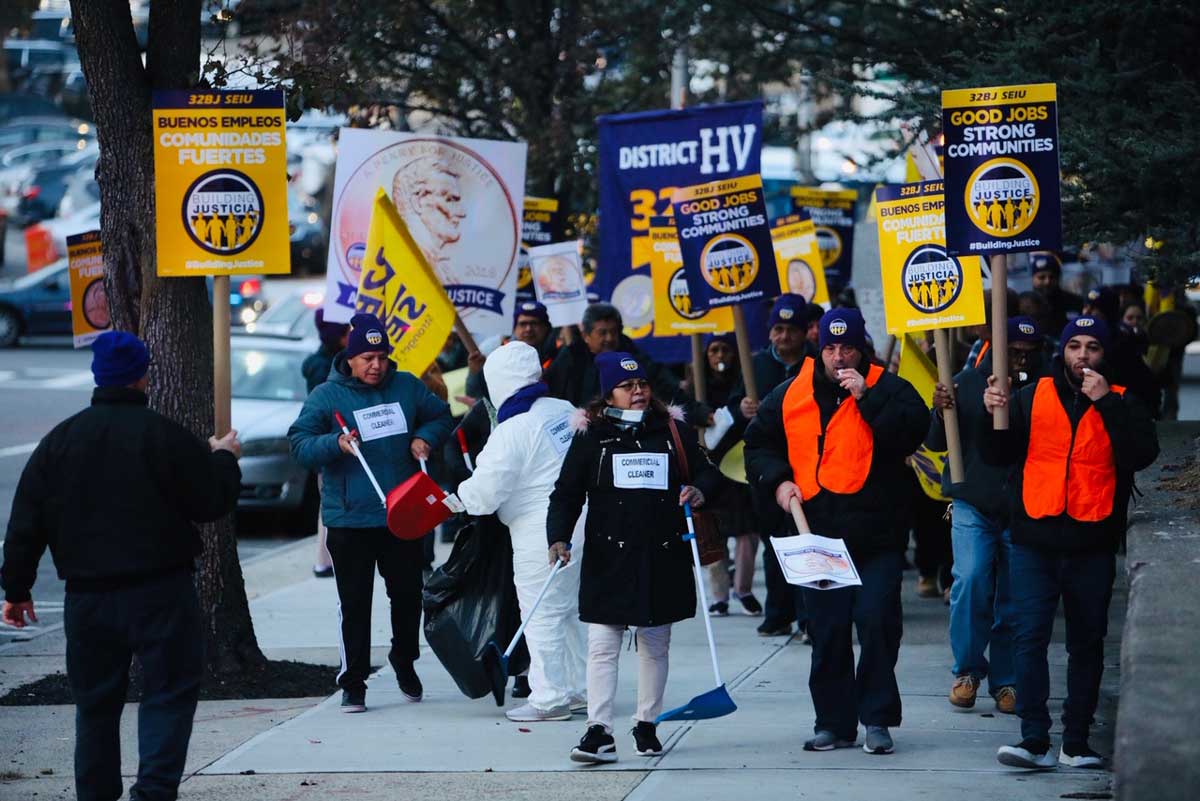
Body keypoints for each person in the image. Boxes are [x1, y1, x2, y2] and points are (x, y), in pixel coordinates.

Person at [1, 331, 242, 801]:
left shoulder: (60, 442)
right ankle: (153, 791)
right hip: (162, 590)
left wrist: (16, 589)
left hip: (88, 598)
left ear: (98, 376)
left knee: (94, 705)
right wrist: (224, 460)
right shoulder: (166, 437)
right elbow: (211, 502)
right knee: (168, 694)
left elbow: (26, 520)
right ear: (142, 375)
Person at [744, 308, 927, 755]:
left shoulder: (891, 388)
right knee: (827, 631)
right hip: (819, 538)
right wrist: (778, 480)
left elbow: (911, 434)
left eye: (847, 347)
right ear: (818, 347)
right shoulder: (791, 392)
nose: (839, 356)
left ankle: (878, 719)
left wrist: (868, 399)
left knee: (877, 622)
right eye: (830, 347)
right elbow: (758, 443)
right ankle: (834, 723)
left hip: (878, 537)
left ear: (862, 348)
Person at [981, 316, 1158, 770]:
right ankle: (1033, 739)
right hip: (1035, 539)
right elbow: (996, 457)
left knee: (1086, 643)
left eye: (1092, 346)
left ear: (1105, 355)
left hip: (1091, 541)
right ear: (1063, 351)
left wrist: (1106, 406)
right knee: (1029, 637)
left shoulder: (1121, 400)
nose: (1083, 355)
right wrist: (993, 416)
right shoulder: (1029, 397)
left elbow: (1141, 454)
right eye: (1075, 345)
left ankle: (1075, 740)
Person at [548, 352, 722, 763]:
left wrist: (699, 490)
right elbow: (566, 493)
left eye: (641, 383)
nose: (638, 391)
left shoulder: (673, 431)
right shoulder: (592, 436)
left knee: (655, 644)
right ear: (609, 394)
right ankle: (598, 730)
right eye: (627, 387)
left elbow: (709, 472)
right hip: (610, 557)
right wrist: (557, 537)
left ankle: (647, 725)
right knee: (603, 645)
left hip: (662, 554)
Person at [288, 313, 454, 713]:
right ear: (350, 357)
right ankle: (354, 680)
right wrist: (335, 443)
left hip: (403, 513)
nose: (375, 365)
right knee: (355, 602)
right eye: (366, 358)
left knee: (408, 596)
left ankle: (404, 660)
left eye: (381, 356)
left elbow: (441, 416)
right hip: (350, 518)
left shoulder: (407, 386)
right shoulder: (327, 396)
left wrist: (423, 438)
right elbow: (299, 443)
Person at [455, 341, 589, 722]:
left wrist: (457, 498)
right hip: (581, 522)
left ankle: (548, 698)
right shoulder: (563, 410)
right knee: (573, 611)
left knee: (542, 612)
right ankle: (581, 688)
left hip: (539, 534)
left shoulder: (513, 429)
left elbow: (484, 494)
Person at [929, 316, 1047, 716]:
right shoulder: (965, 382)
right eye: (1012, 351)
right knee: (972, 579)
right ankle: (966, 671)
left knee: (1014, 594)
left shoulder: (1046, 388)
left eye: (1028, 353)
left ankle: (1007, 679)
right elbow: (934, 441)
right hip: (973, 501)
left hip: (1024, 504)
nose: (1019, 359)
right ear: (996, 347)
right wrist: (940, 409)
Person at [728, 293, 815, 637]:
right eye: (778, 329)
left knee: (806, 538)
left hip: (806, 465)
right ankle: (778, 613)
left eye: (791, 329)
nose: (784, 337)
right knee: (775, 541)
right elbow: (733, 406)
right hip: (767, 468)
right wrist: (742, 408)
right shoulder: (756, 365)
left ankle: (809, 617)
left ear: (805, 331)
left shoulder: (816, 365)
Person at [686, 332, 761, 617]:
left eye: (726, 350)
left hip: (739, 468)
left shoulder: (745, 384)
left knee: (747, 533)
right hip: (709, 468)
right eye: (714, 350)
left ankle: (743, 588)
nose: (720, 357)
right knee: (712, 535)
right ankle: (719, 595)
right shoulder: (695, 389)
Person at [544, 302, 700, 419]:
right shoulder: (571, 355)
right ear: (586, 335)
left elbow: (664, 385)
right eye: (602, 333)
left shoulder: (631, 353)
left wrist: (701, 412)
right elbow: (550, 390)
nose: (609, 338)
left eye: (613, 332)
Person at [304, 309, 350, 578]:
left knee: (328, 501)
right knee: (329, 501)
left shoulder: (317, 364)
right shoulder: (326, 370)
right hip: (329, 440)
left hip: (326, 439)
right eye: (345, 332)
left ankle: (325, 559)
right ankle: (324, 560)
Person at [1082, 285, 1160, 415]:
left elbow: (1144, 387)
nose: (1086, 313)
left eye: (1094, 309)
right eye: (1086, 307)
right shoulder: (1079, 338)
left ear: (1107, 313)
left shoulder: (1123, 345)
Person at [465, 300, 558, 400]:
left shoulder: (558, 352)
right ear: (514, 329)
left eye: (534, 323)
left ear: (546, 327)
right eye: (523, 324)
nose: (528, 329)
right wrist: (477, 373)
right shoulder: (500, 355)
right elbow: (473, 394)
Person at [1030, 252, 1083, 334]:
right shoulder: (1025, 305)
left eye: (1052, 277)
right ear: (1032, 279)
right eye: (1041, 277)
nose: (1047, 282)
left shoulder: (1075, 302)